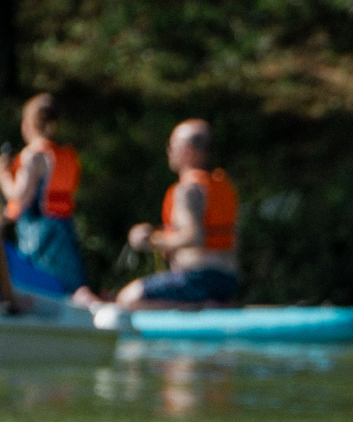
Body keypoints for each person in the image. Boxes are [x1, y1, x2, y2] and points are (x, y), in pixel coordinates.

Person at [71, 119, 239, 318]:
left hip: (198, 279)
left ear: (187, 151)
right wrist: (160, 233)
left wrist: (150, 241)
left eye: (172, 146)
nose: (169, 151)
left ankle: (202, 307)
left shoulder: (187, 190)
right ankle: (211, 305)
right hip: (228, 282)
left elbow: (194, 237)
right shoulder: (222, 186)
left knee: (128, 298)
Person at [0, 93, 87, 292]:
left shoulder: (33, 155)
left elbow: (19, 195)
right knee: (69, 286)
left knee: (38, 285)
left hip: (40, 237)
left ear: (27, 124)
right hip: (64, 231)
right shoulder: (62, 155)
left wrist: (2, 176)